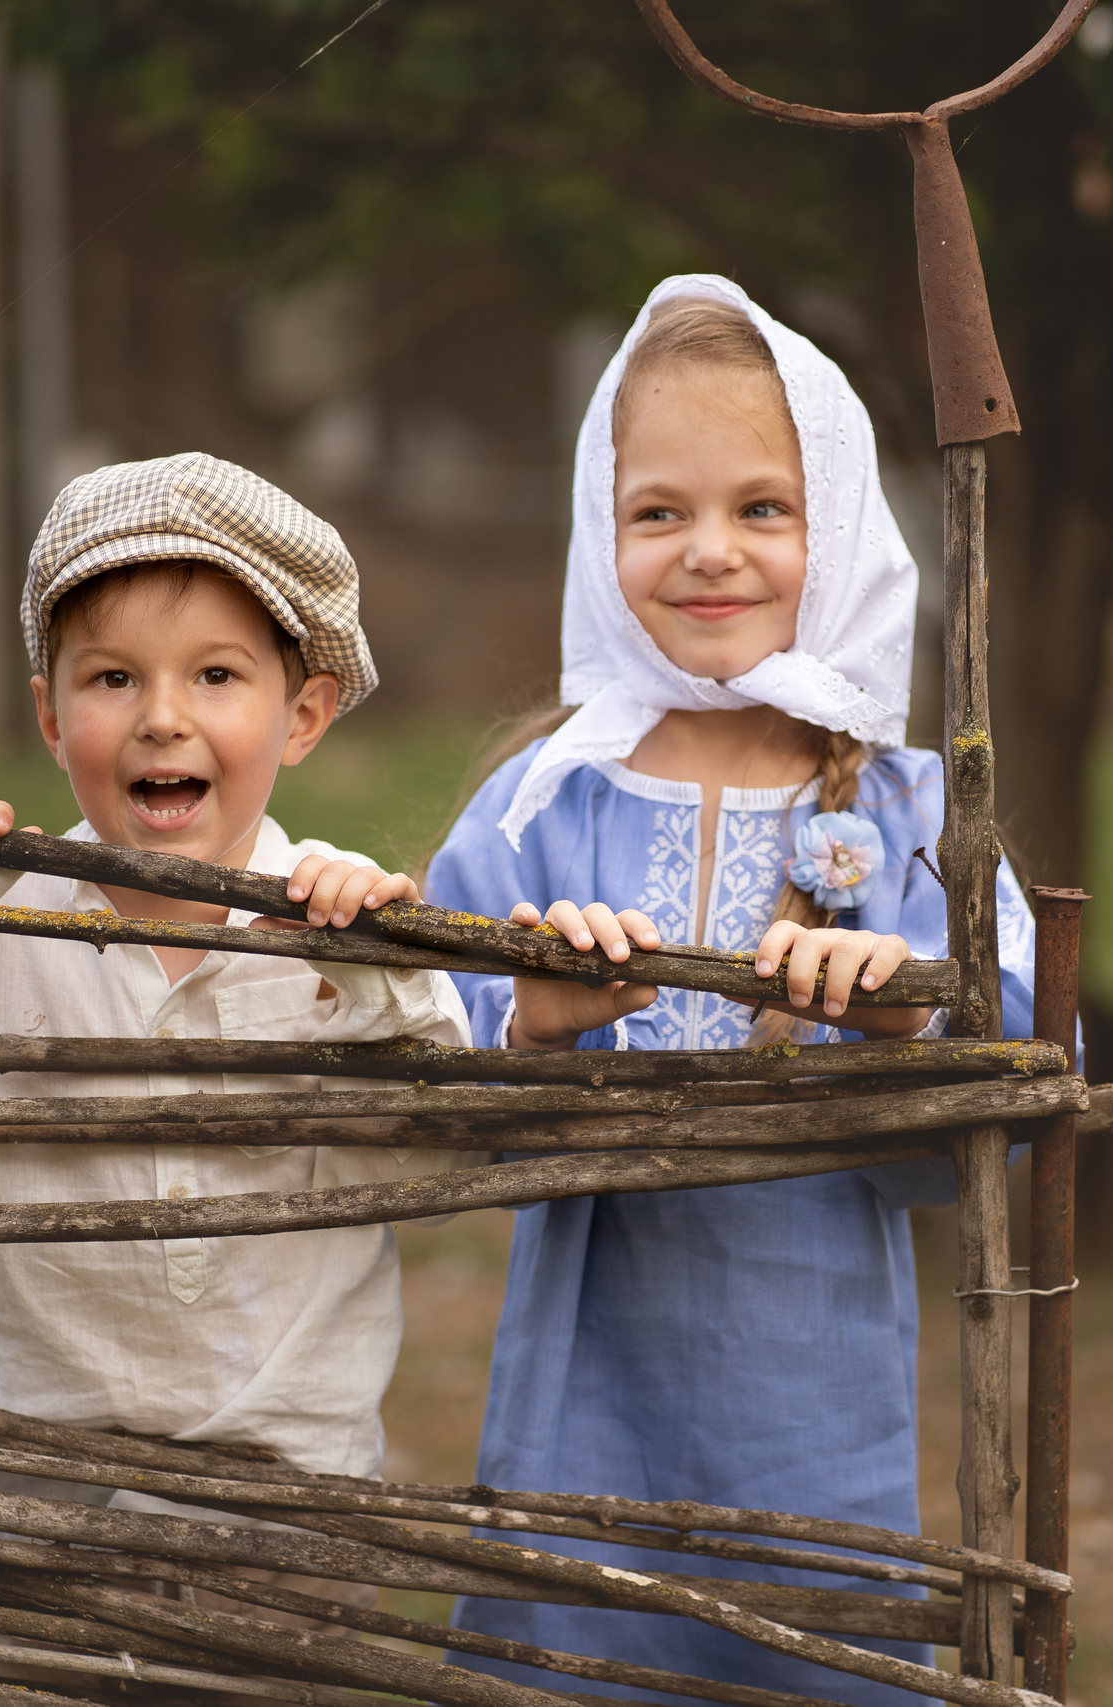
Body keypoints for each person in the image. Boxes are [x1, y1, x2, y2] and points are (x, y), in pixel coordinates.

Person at [422, 276, 1044, 1700]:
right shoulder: (543, 803)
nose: (710, 551)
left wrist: (906, 1011)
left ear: (835, 529)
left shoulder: (905, 808)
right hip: (585, 1401)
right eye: (660, 511)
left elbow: (1027, 1054)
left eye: (763, 507)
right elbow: (414, 1044)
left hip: (814, 1412)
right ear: (602, 524)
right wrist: (531, 1019)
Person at [0, 453, 472, 1640]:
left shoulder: (339, 937)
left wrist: (371, 957)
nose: (161, 715)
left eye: (215, 675)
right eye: (111, 677)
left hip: (292, 1520)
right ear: (51, 715)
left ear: (302, 715)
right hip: (39, 1508)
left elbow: (446, 1154)